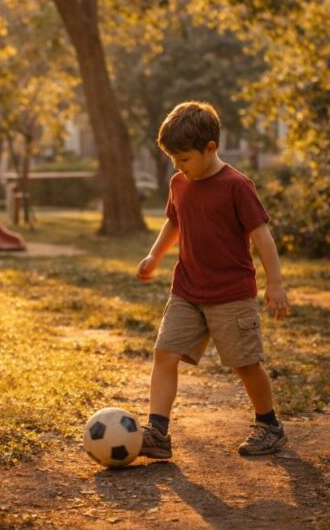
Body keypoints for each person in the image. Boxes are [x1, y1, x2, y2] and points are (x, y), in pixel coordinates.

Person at [136, 101, 291, 459]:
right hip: (187, 289)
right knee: (165, 353)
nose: (179, 167)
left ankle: (269, 425)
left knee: (244, 363)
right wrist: (154, 256)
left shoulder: (237, 186)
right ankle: (157, 432)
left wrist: (276, 284)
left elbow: (262, 236)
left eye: (185, 159)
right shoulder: (179, 183)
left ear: (210, 148)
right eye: (173, 160)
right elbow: (174, 222)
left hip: (231, 294)